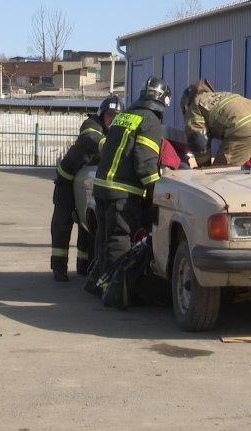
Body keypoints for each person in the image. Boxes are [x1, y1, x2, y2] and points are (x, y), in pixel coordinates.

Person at [92, 76, 169, 286]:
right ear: (164, 101)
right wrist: (155, 190)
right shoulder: (150, 120)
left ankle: (101, 282)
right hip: (123, 194)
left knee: (105, 238)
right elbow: (145, 161)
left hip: (102, 189)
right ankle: (115, 289)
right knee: (119, 239)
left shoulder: (123, 116)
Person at [50, 95, 124, 282]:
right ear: (101, 114)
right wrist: (107, 145)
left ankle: (83, 266)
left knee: (87, 226)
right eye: (109, 115)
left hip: (86, 181)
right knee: (62, 222)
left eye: (117, 115)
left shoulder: (119, 132)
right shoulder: (91, 124)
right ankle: (59, 267)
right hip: (68, 179)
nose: (113, 119)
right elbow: (91, 138)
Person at [180, 79, 251, 167]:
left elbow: (199, 141)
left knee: (219, 175)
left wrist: (203, 167)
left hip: (243, 127)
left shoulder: (194, 105)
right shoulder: (219, 95)